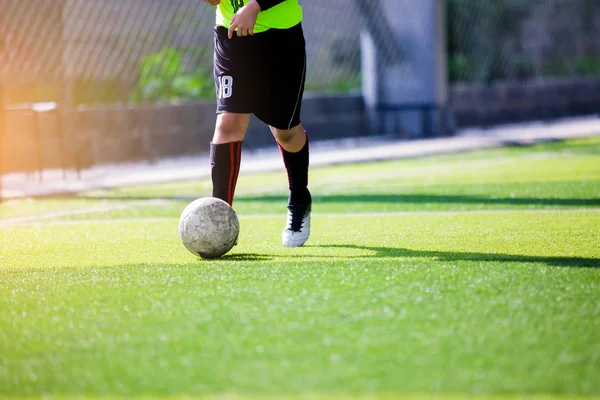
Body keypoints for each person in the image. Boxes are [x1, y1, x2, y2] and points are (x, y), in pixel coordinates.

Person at [203, 0, 311, 247]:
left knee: (285, 132)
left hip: (280, 38)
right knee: (228, 123)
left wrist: (256, 6)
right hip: (231, 34)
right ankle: (219, 220)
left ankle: (299, 199)